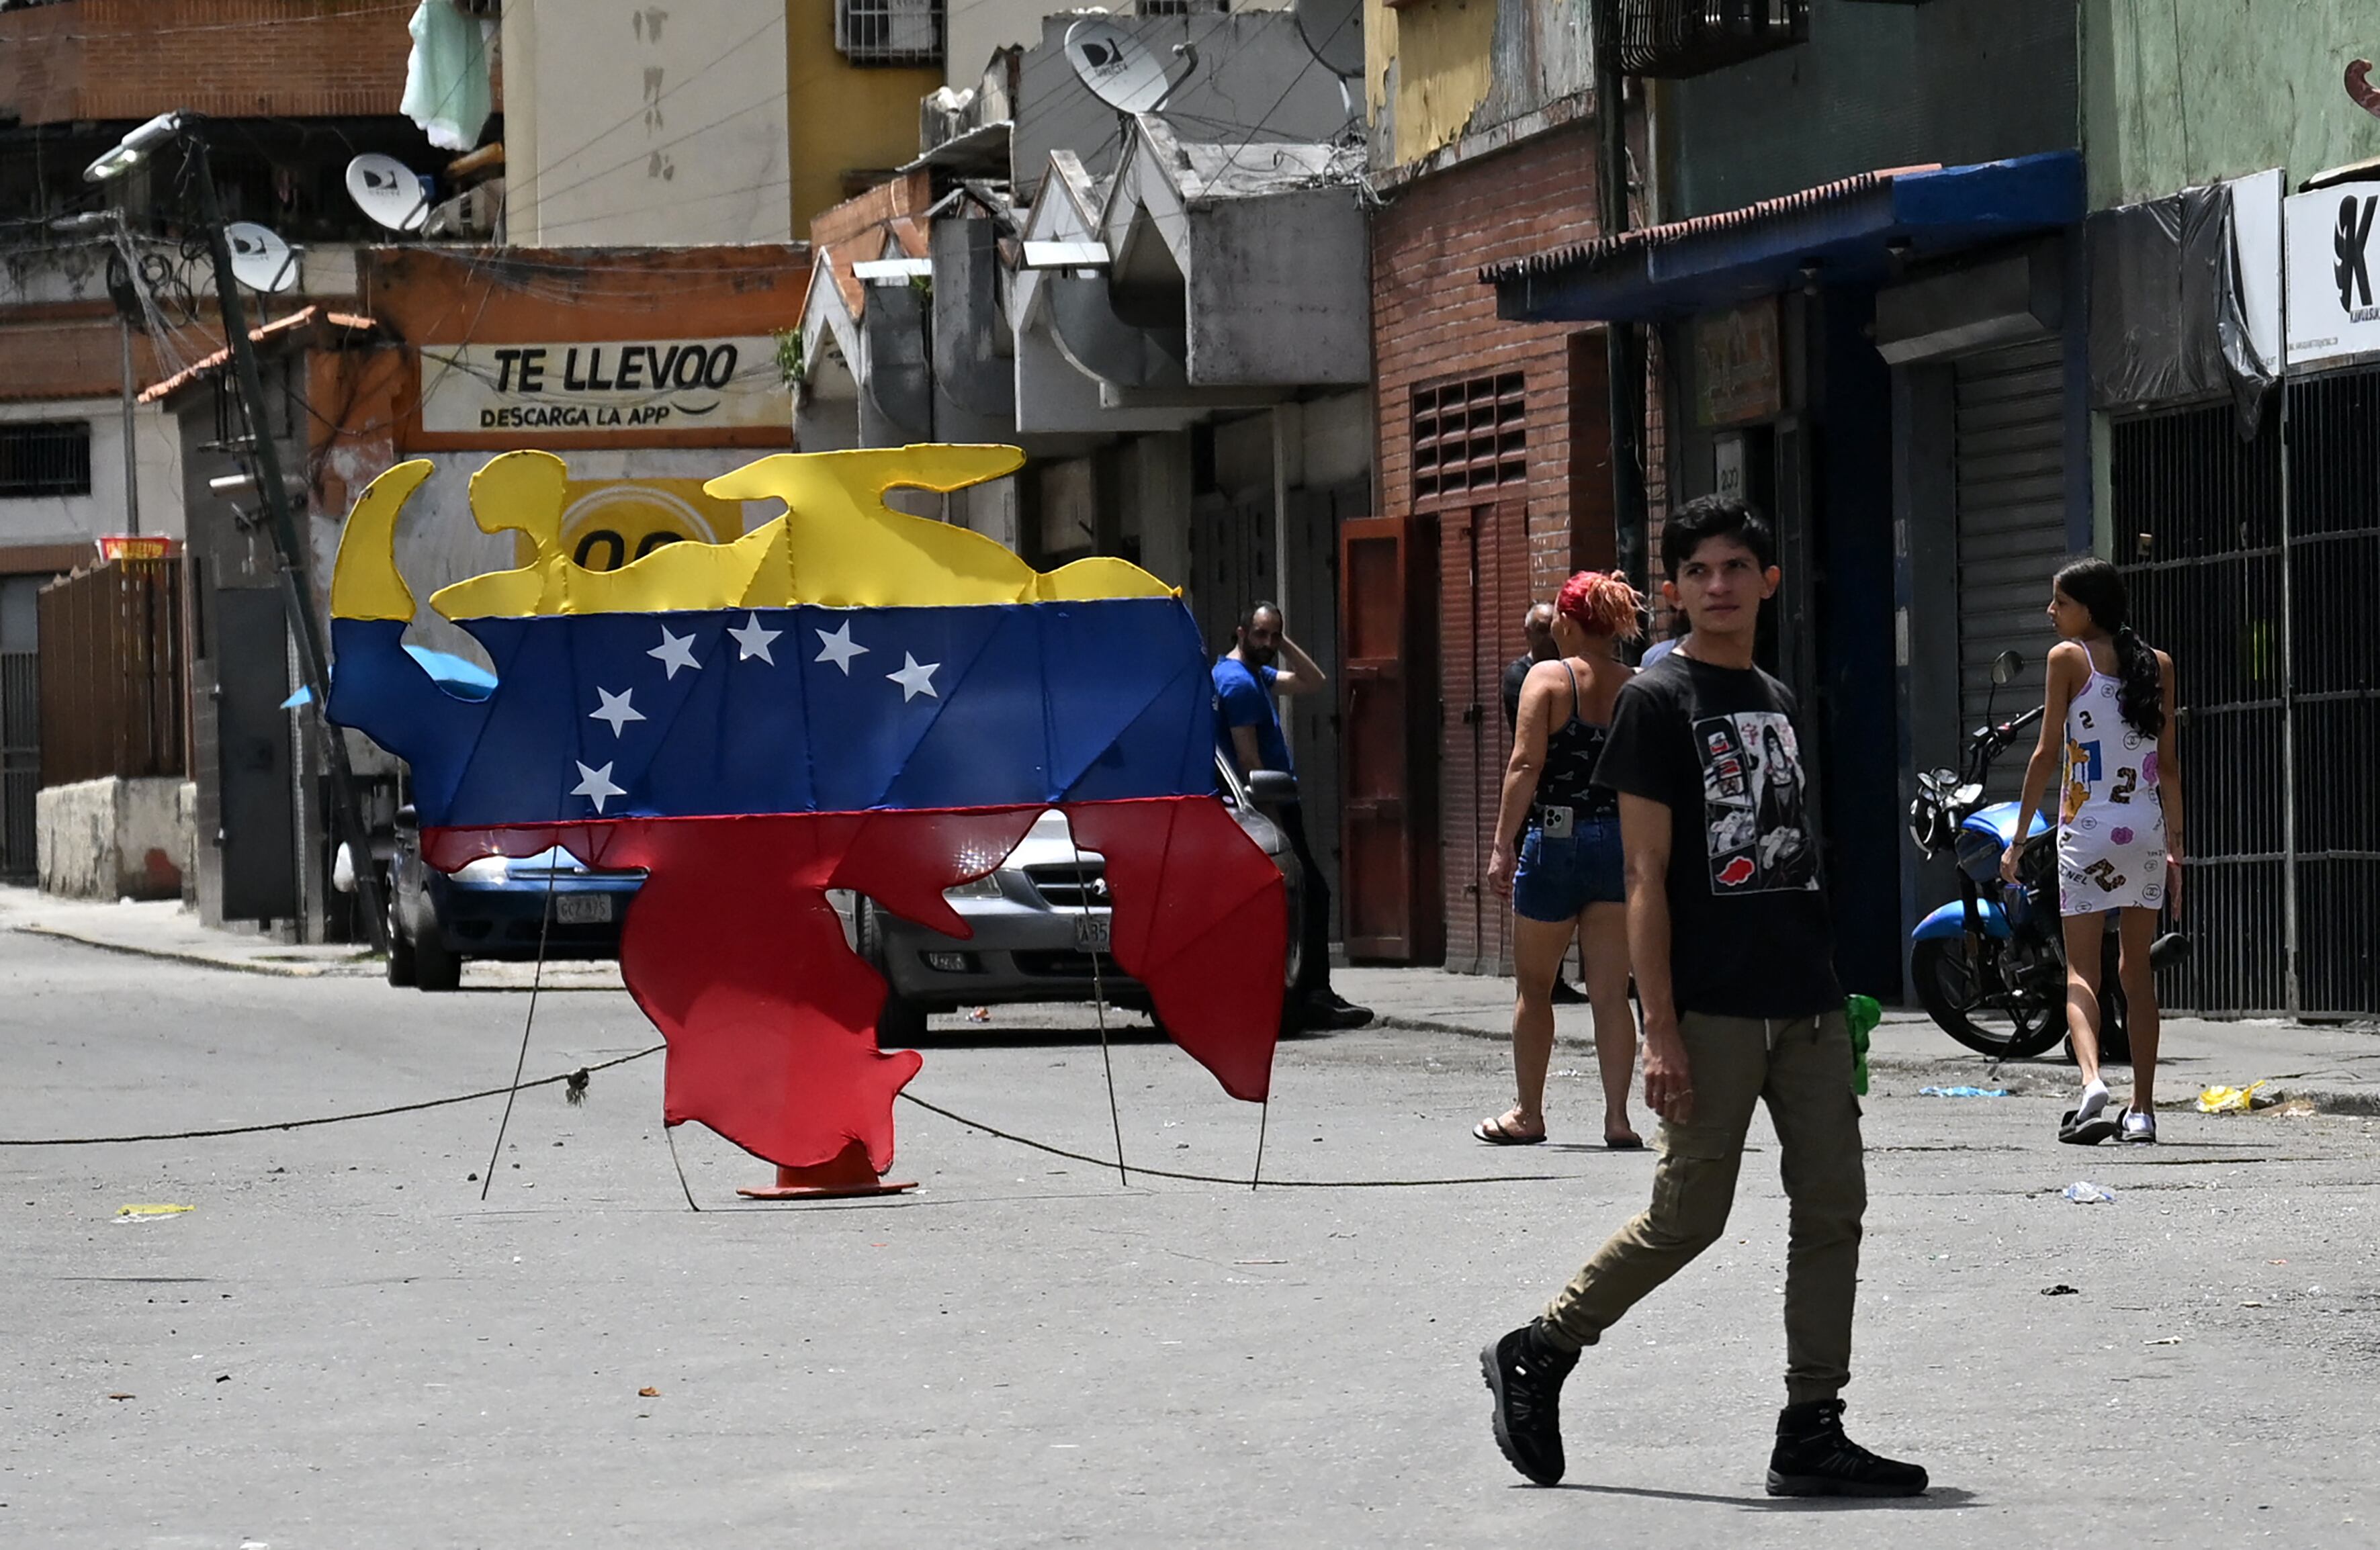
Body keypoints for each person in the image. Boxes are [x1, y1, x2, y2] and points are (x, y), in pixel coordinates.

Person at [1480, 496, 1927, 1498]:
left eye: (1736, 567)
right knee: (1688, 1217)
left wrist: (1837, 993)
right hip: (1713, 1008)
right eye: (1697, 570)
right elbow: (1643, 874)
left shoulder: (1770, 691)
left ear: (1767, 581)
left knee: (1832, 1209)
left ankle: (1810, 1426)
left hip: (1803, 1001)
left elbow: (1790, 849)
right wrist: (1659, 1029)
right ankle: (1540, 1349)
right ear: (1673, 589)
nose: (1717, 585)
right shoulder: (1654, 697)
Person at [2000, 557, 2183, 1146]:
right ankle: (2144, 1111)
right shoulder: (2157, 665)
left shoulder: (2066, 661)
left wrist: (2020, 836)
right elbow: (2170, 766)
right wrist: (2177, 848)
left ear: (2088, 608)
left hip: (2086, 829)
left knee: (2083, 970)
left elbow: (2045, 754)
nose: (2050, 613)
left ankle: (2090, 1082)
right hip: (2146, 830)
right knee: (2136, 974)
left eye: (2059, 602)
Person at [1477, 572, 1644, 1148]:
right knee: (1610, 991)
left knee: (1534, 988)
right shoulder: (1637, 685)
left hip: (1555, 840)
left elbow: (1525, 765)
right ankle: (1618, 1118)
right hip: (1618, 843)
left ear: (1567, 624)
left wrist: (1502, 846)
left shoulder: (1547, 678)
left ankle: (1528, 1112)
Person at [1214, 602, 1373, 1032]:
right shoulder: (1238, 683)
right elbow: (1249, 759)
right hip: (1269, 803)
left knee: (1308, 895)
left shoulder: (1253, 674)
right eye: (1261, 635)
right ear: (1241, 631)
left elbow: (1313, 681)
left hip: (1276, 799)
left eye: (1274, 636)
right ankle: (1311, 994)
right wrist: (1272, 822)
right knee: (1310, 894)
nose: (1268, 644)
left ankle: (1309, 991)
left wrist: (1284, 644)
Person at [1502, 602, 1588, 1007]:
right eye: (1538, 629)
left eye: (1549, 627)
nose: (1546, 636)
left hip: (1571, 803)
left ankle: (1560, 979)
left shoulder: (1569, 672)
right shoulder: (1524, 677)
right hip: (1538, 802)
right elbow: (1528, 753)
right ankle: (1545, 981)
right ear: (1528, 634)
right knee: (1539, 898)